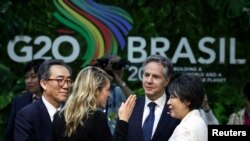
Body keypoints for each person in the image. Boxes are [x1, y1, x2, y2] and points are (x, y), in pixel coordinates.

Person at [52, 66, 136, 141]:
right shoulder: (95, 117)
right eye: (107, 90)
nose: (109, 95)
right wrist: (123, 120)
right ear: (96, 90)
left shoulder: (58, 116)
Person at [14, 59, 72, 141]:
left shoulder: (73, 113)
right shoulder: (27, 115)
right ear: (44, 84)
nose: (66, 86)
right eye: (60, 80)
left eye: (68, 81)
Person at [127, 55, 180, 141]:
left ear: (166, 81)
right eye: (146, 75)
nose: (149, 81)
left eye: (155, 77)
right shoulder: (130, 106)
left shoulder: (177, 109)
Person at [4, 58, 45, 141]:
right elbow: (10, 133)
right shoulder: (19, 101)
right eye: (26, 77)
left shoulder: (57, 101)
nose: (28, 81)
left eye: (33, 77)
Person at [93, 55, 134, 133]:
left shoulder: (118, 90)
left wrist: (118, 80)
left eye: (118, 67)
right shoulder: (95, 88)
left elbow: (135, 102)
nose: (116, 71)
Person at [167, 73, 208, 141]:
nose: (168, 102)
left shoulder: (185, 130)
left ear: (187, 101)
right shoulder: (199, 122)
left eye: (172, 97)